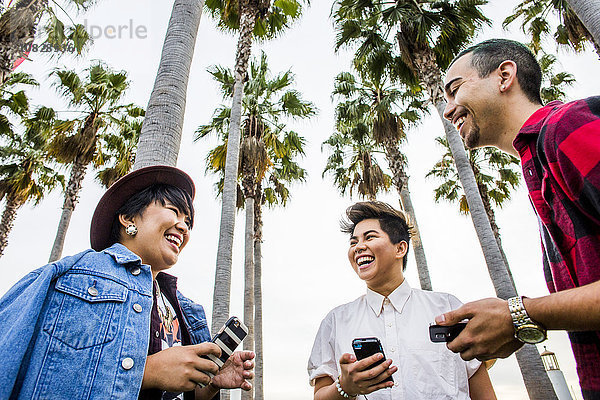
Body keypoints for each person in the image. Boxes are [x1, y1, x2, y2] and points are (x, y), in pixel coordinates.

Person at [0, 165, 255, 400]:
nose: (184, 227)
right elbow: (37, 371)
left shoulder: (183, 308)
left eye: (188, 221)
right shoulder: (71, 275)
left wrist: (208, 383)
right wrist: (149, 371)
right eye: (174, 212)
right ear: (128, 218)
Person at [438, 38, 600, 398]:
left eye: (454, 90)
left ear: (505, 75)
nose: (448, 111)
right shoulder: (539, 164)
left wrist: (519, 315)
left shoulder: (566, 128)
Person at [307, 201, 496, 399]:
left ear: (400, 249)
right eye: (353, 242)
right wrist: (345, 387)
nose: (359, 247)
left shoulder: (447, 308)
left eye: (369, 237)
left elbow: (483, 392)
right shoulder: (335, 321)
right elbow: (320, 394)